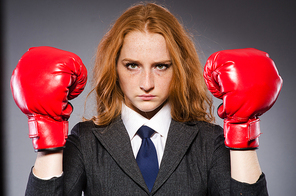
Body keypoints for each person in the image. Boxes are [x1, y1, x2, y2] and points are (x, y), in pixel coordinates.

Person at [10, 2, 282, 196]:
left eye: (161, 66)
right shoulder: (86, 140)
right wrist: (47, 129)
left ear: (179, 68)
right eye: (132, 65)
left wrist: (243, 127)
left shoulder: (208, 142)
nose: (147, 83)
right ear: (114, 67)